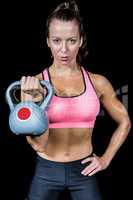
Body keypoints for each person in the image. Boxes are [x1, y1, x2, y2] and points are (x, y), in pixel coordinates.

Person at [21, 1, 131, 199]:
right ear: (47, 41)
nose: (64, 49)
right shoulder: (34, 84)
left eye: (71, 40)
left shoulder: (98, 82)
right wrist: (38, 102)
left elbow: (125, 122)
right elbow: (39, 145)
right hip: (46, 171)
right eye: (56, 40)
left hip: (83, 171)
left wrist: (105, 159)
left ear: (81, 40)